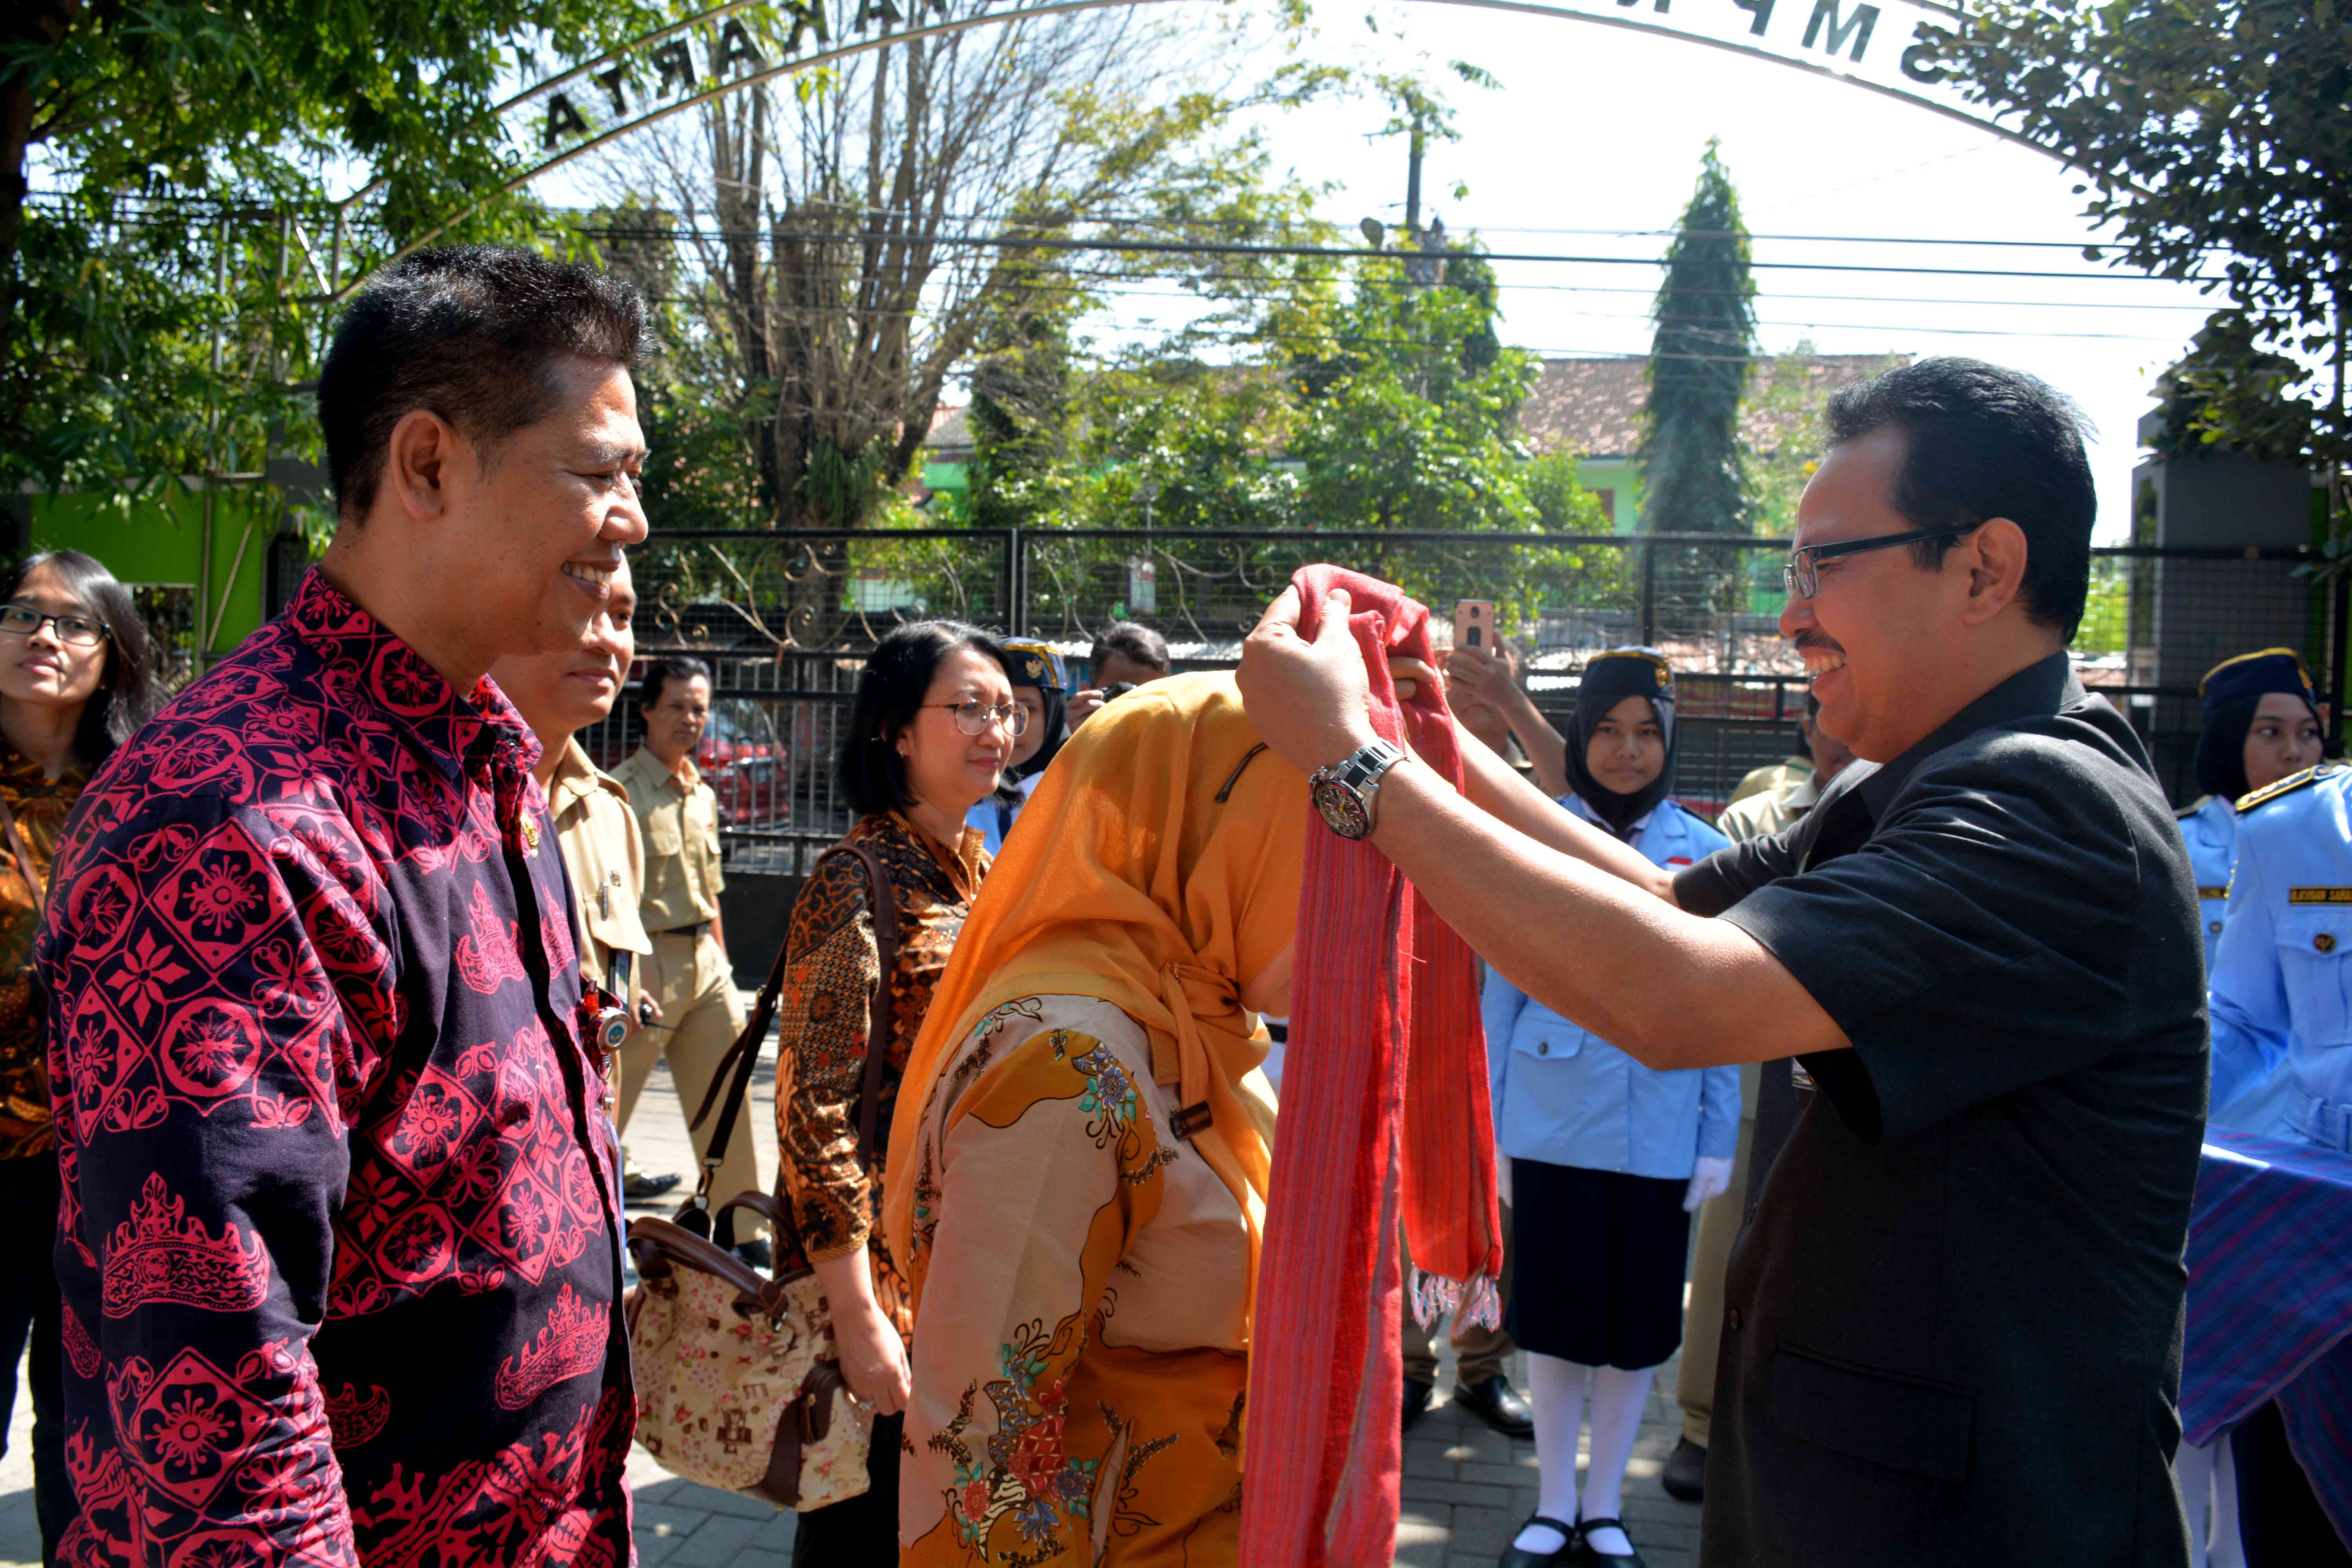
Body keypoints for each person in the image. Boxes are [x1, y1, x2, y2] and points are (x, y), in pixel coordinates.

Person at [1237, 356, 2207, 1566]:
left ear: (1982, 566)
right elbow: (1655, 897)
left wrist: (1350, 768)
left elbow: (1677, 995)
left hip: (1973, 1522)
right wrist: (1406, 732)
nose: (1789, 613)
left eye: (1821, 566)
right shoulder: (1919, 781)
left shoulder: (2045, 807)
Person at [36, 245, 650, 1562]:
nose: (631, 519)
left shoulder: (486, 754)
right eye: (599, 473)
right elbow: (218, 1410)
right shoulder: (228, 824)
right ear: (428, 465)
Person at [884, 671, 1299, 1564]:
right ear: (1216, 843)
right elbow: (981, 1446)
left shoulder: (1204, 1020)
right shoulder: (1067, 1068)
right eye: (1311, 853)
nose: (1349, 906)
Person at [1487, 648, 1738, 1568]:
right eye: (1606, 730)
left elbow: (1719, 1007)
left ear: (1669, 741)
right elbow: (1499, 993)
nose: (1626, 750)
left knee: (1635, 1337)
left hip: (1663, 1130)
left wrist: (1716, 1135)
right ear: (1580, 738)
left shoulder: (1709, 857)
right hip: (1550, 1124)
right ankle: (1552, 1504)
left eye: (1646, 732)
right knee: (1553, 1326)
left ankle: (1607, 1509)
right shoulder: (1533, 838)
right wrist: (1496, 1126)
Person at [773, 620, 1011, 1564]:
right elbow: (811, 1107)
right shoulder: (854, 878)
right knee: (861, 1528)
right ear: (897, 732)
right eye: (966, 707)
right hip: (885, 1278)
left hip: (970, 1258)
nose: (994, 726)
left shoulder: (987, 874)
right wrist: (855, 1307)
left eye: (1003, 708)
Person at [0, 550, 160, 1563]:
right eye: (21, 614)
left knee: (85, 1430)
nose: (42, 636)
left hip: (99, 1166)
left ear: (113, 655)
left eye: (72, 623)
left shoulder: (139, 795)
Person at [1663, 688, 1858, 1505]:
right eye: (1827, 717)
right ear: (1807, 728)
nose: (1843, 734)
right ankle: (1704, 1425)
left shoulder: (1925, 807)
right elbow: (1694, 898)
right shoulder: (1769, 815)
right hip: (1765, 1072)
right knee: (1729, 1253)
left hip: (1861, 1082)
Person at [2171, 648, 2325, 1568]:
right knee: (2196, 1369)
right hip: (2205, 1147)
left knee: (2281, 1374)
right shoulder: (2186, 845)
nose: (2291, 749)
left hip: (2304, 1156)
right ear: (2230, 738)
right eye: (2269, 730)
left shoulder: (2335, 850)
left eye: (2306, 731)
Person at [2204, 751, 2352, 1567]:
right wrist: (2148, 1107)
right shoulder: (2294, 827)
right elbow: (2245, 1019)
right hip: (2311, 1252)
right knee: (2291, 1517)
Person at [486, 553, 668, 1197]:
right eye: (581, 608)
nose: (606, 638)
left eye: (621, 615)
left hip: (591, 1161)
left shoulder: (611, 815)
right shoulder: (442, 805)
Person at [612, 656, 766, 1252]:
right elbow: (607, 900)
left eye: (699, 708)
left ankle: (744, 1229)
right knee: (605, 1110)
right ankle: (582, 1223)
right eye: (676, 705)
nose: (689, 719)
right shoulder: (621, 794)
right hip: (646, 971)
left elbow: (713, 893)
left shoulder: (702, 792)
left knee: (728, 1103)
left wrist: (726, 969)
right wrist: (623, 983)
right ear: (647, 709)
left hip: (707, 965)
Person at [964, 638, 1068, 855]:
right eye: (999, 709)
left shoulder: (1075, 802)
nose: (1006, 729)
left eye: (1026, 709)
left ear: (1054, 715)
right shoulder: (957, 797)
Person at [1712, 692, 1856, 842]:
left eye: (1868, 725)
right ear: (1808, 729)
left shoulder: (1882, 822)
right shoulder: (1747, 821)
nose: (1850, 741)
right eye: (1837, 722)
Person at [1068, 619, 1170, 729]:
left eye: (1152, 697)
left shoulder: (1184, 740)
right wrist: (1080, 740)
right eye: (1122, 695)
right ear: (1089, 695)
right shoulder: (1076, 741)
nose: (1138, 710)